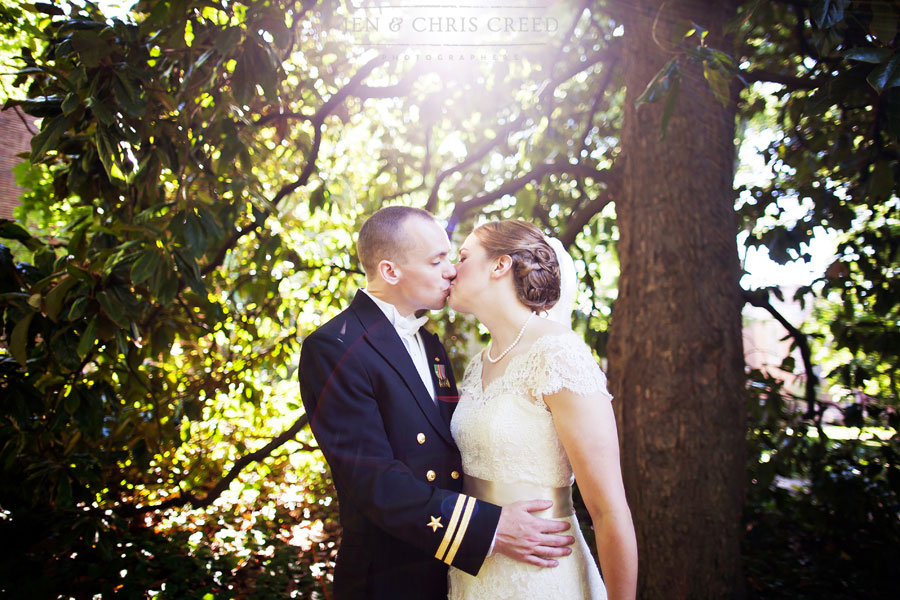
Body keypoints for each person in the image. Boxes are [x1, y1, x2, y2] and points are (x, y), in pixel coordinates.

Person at [298, 207, 575, 600]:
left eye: (451, 257)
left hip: (456, 572)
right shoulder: (334, 346)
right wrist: (488, 527)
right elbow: (371, 480)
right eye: (437, 260)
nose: (451, 270)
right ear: (391, 271)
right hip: (389, 579)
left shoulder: (430, 345)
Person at [446, 219, 638, 600]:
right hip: (473, 575)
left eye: (463, 256)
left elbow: (608, 510)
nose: (451, 268)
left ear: (499, 265)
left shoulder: (559, 354)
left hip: (543, 576)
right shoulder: (475, 364)